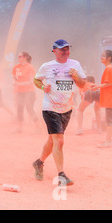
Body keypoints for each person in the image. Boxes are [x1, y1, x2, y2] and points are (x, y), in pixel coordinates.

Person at [32, 39, 86, 186]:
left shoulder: (75, 65)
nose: (66, 52)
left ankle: (39, 162)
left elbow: (82, 84)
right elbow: (36, 80)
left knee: (52, 140)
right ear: (54, 51)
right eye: (62, 49)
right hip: (50, 108)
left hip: (67, 109)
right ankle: (62, 175)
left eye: (67, 49)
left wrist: (76, 77)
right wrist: (43, 88)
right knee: (59, 141)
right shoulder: (47, 66)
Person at [92, 50, 112, 147]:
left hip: (111, 98)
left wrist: (97, 86)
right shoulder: (111, 68)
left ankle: (108, 141)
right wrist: (98, 86)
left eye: (103, 56)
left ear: (109, 58)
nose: (101, 57)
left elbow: (108, 83)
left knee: (109, 120)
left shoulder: (109, 68)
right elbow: (109, 83)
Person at [12, 51, 39, 133]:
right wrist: (14, 82)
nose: (19, 58)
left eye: (20, 56)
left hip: (29, 91)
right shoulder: (16, 67)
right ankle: (20, 128)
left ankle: (38, 127)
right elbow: (14, 78)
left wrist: (19, 83)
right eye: (18, 56)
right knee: (19, 108)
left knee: (29, 108)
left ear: (25, 57)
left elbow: (31, 81)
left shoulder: (30, 67)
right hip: (20, 91)